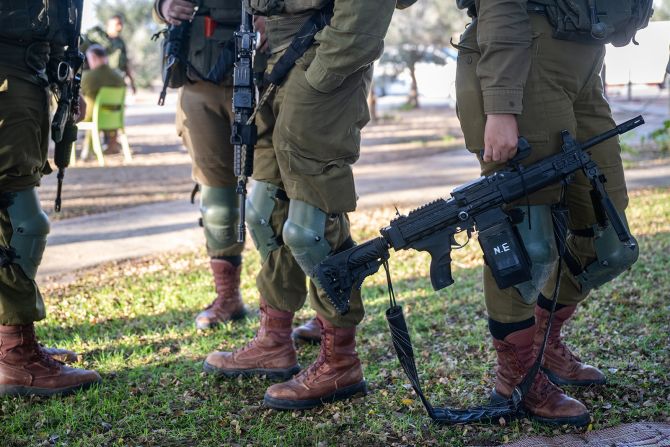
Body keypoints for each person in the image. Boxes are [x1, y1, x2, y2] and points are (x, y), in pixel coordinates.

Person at [197, 0, 397, 410]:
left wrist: (323, 72)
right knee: (265, 211)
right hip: (271, 56)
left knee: (308, 227)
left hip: (321, 53)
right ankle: (274, 340)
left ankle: (340, 358)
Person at [454, 0, 641, 426]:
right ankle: (518, 377)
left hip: (586, 63)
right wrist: (501, 105)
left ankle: (544, 340)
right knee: (528, 239)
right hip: (524, 61)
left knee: (607, 236)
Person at [0, 0, 102, 396]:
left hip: (30, 73)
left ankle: (12, 341)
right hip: (10, 72)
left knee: (12, 219)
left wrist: (66, 78)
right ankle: (16, 355)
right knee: (23, 222)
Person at [154, 0, 254, 330]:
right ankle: (228, 298)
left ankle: (281, 308)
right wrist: (163, 6)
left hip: (266, 75)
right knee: (217, 199)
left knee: (278, 195)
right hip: (199, 78)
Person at [80, 45, 126, 154]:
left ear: (94, 58)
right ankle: (107, 145)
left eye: (89, 59)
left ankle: (88, 150)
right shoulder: (118, 76)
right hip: (114, 119)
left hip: (90, 117)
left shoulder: (88, 76)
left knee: (88, 109)